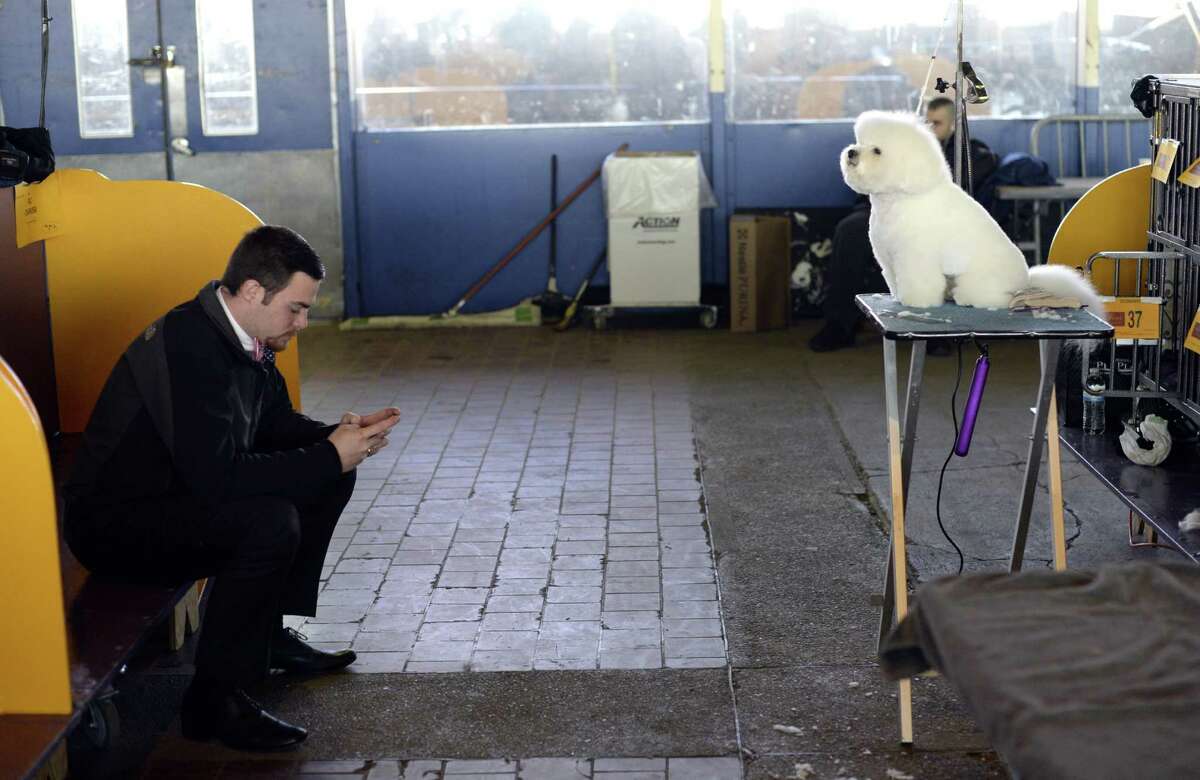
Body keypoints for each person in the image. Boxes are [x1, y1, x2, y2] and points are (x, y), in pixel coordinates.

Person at [63, 226, 401, 751]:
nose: (303, 323)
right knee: (269, 524)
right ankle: (213, 702)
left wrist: (340, 437)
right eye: (296, 308)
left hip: (176, 493)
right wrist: (328, 454)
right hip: (116, 524)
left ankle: (266, 637)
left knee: (330, 474)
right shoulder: (189, 346)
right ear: (251, 292)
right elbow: (217, 479)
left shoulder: (245, 338)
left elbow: (273, 424)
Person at [809, 96, 1000, 352]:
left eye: (937, 123)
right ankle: (838, 325)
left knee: (924, 243)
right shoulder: (900, 146)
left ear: (954, 124)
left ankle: (934, 334)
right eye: (926, 122)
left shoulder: (971, 154)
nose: (930, 129)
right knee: (849, 230)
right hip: (884, 211)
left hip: (935, 219)